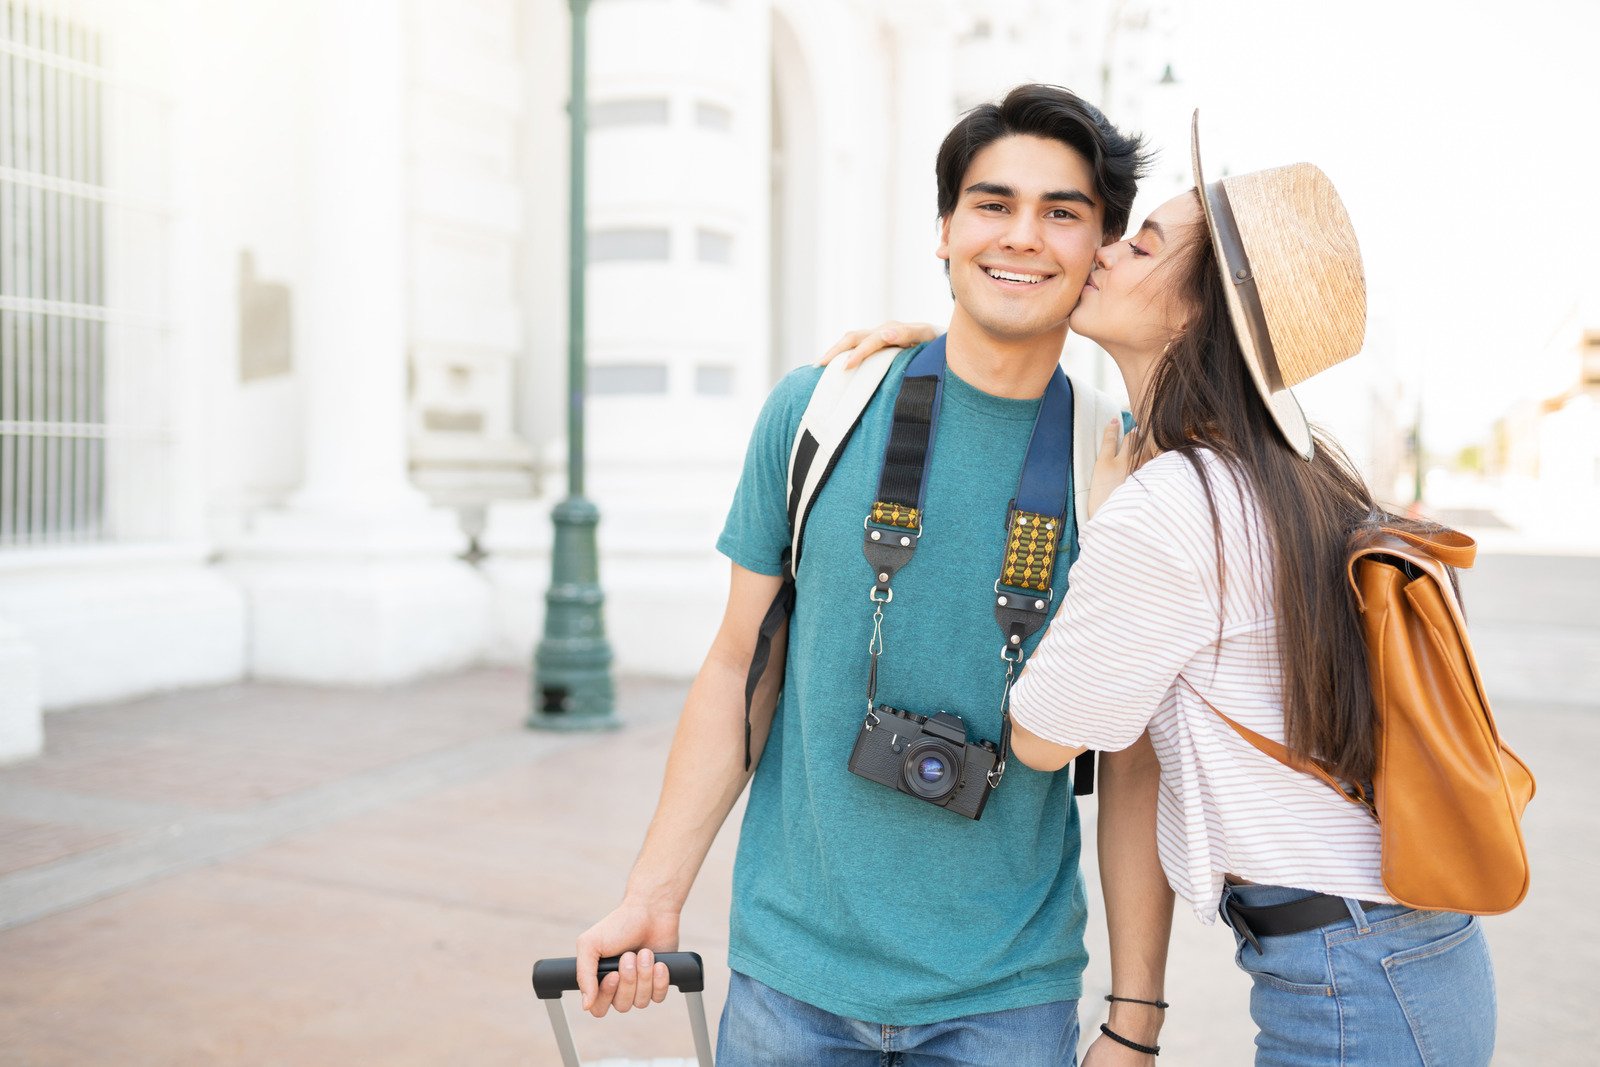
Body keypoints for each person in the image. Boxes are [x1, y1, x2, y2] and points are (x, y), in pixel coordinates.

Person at [834, 115, 1499, 1065]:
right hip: (1396, 954)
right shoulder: (1278, 473)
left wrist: (1104, 533)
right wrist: (943, 343)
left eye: (1141, 243)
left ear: (1198, 313)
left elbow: (1042, 734)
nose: (1102, 250)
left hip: (1353, 978)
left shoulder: (1171, 504)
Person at [572, 84, 1173, 1066]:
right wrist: (654, 888)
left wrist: (1132, 1019)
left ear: (1099, 247)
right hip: (789, 984)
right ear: (943, 230)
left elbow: (1135, 758)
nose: (1022, 235)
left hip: (1005, 1001)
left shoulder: (1118, 469)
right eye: (992, 203)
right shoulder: (821, 410)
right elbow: (738, 666)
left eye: (1061, 212)